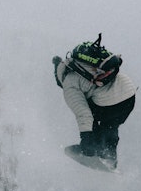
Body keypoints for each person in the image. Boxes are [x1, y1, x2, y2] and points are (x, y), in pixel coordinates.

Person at [53, 34, 136, 169]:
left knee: (92, 114)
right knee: (110, 124)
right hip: (129, 97)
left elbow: (83, 114)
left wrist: (86, 141)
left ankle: (90, 149)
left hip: (110, 104)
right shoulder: (82, 64)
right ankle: (109, 156)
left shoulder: (69, 84)